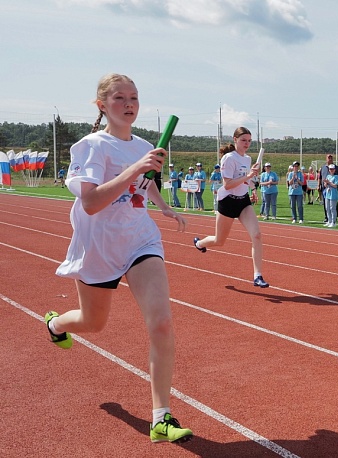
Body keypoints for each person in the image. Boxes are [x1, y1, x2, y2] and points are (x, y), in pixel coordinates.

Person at [46, 73, 192, 443]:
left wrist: (164, 208)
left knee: (161, 324)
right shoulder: (92, 147)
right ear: (102, 106)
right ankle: (57, 326)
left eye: (134, 97)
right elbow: (92, 203)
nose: (129, 104)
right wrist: (134, 169)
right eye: (119, 98)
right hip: (98, 246)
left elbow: (148, 183)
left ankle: (161, 417)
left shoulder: (142, 144)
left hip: (140, 240)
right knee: (93, 323)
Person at [193, 126, 268, 287]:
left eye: (249, 141)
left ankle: (258, 275)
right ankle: (200, 244)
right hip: (228, 201)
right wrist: (248, 176)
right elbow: (228, 185)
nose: (246, 143)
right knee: (219, 241)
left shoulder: (247, 159)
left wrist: (253, 188)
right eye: (243, 140)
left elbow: (245, 181)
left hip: (243, 201)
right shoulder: (229, 158)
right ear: (235, 140)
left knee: (257, 235)